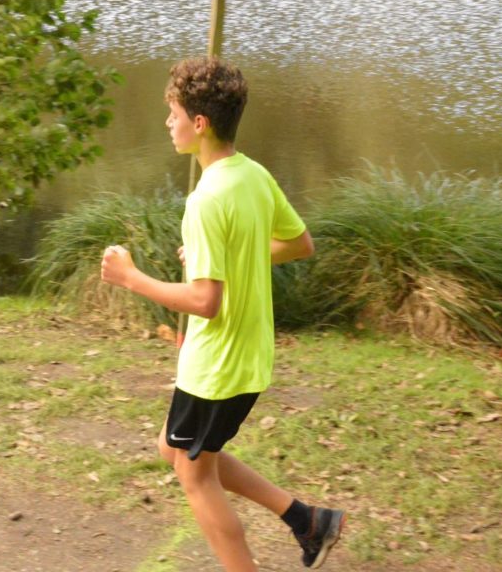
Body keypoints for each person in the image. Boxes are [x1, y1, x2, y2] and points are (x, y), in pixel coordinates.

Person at [100, 58, 345, 571]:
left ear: (199, 123)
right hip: (248, 355)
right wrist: (226, 256)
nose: (167, 123)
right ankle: (306, 520)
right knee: (176, 449)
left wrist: (130, 278)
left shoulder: (205, 200)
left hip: (216, 365)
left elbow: (204, 302)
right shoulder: (251, 174)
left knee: (194, 475)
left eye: (173, 114)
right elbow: (299, 243)